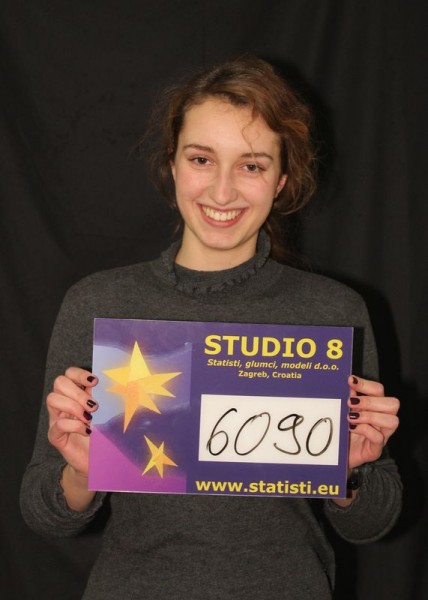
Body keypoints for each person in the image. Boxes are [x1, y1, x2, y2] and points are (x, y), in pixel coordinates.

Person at [20, 57, 401, 600]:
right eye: (202, 159)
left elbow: (372, 522)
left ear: (281, 180)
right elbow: (44, 513)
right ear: (172, 165)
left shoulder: (332, 312)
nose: (223, 193)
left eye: (252, 166)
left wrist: (349, 472)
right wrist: (82, 472)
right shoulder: (99, 305)